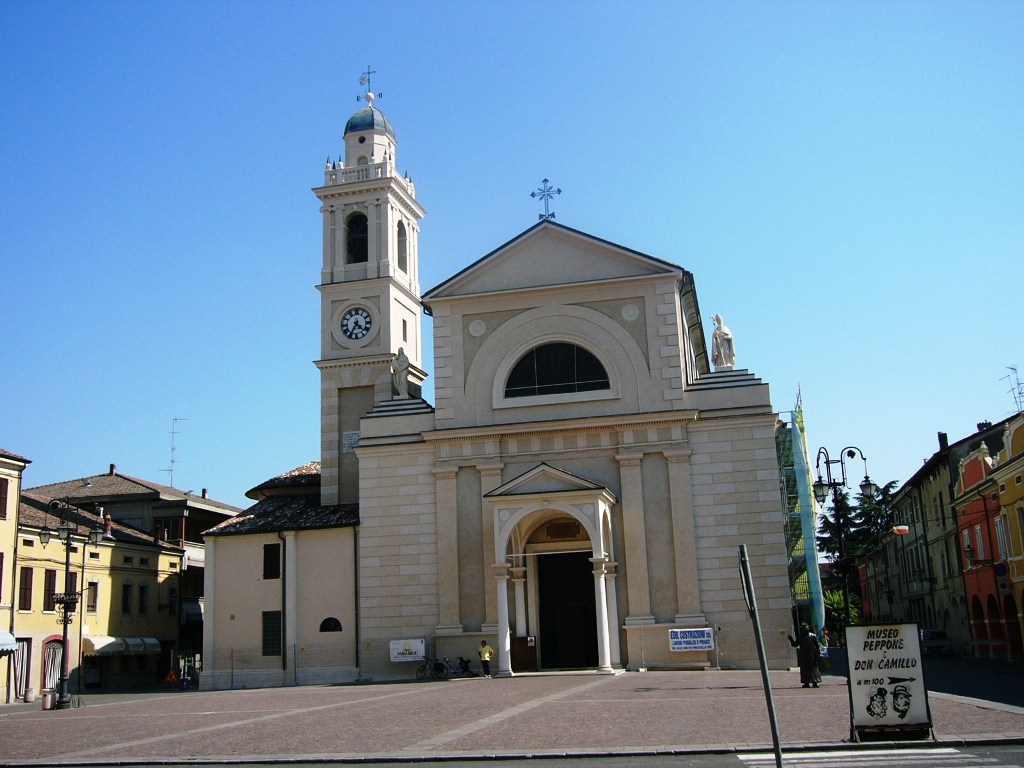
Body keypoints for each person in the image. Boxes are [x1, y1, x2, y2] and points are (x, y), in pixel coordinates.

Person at [787, 622, 822, 688]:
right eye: (804, 628)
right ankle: (806, 682)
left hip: (812, 655)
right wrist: (791, 640)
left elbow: (817, 646)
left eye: (806, 627)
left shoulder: (813, 636)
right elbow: (796, 644)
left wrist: (818, 653)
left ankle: (815, 682)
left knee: (813, 668)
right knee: (805, 669)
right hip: (804, 655)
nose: (806, 629)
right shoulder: (800, 636)